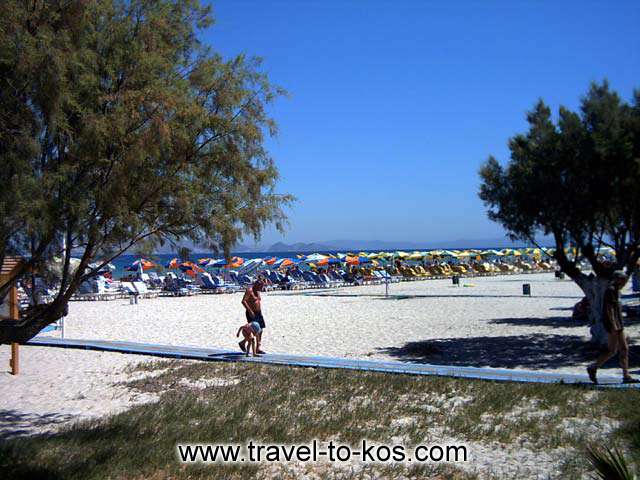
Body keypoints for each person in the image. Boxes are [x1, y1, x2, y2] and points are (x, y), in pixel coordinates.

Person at [587, 271, 638, 384]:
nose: (625, 282)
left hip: (619, 323)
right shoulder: (610, 290)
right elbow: (609, 309)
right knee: (612, 350)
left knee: (624, 349)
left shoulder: (616, 290)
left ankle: (626, 375)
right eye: (623, 279)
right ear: (617, 279)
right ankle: (593, 367)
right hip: (613, 324)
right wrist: (614, 324)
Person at [239, 279, 266, 354]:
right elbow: (243, 301)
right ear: (256, 285)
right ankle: (243, 343)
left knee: (260, 330)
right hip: (251, 313)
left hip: (258, 313)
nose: (262, 288)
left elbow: (257, 301)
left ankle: (258, 347)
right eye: (261, 286)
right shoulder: (249, 290)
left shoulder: (257, 292)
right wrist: (250, 310)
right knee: (254, 330)